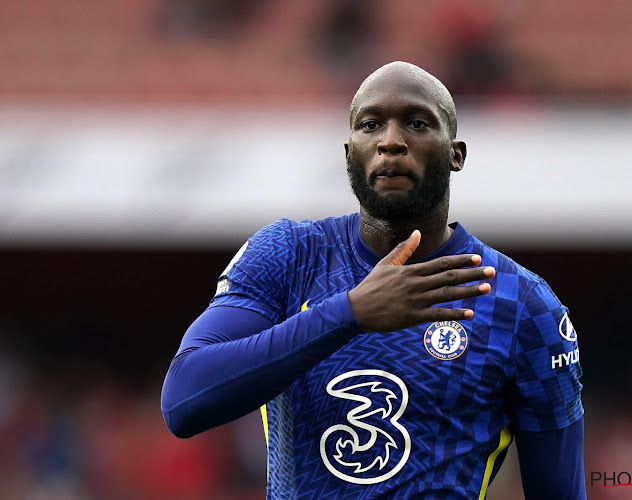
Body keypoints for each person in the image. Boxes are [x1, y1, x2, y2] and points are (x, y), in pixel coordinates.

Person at [161, 61, 585, 499]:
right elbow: (184, 400)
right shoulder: (290, 255)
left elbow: (560, 490)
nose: (391, 142)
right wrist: (350, 313)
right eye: (371, 125)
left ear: (456, 154)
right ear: (349, 153)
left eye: (418, 123)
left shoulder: (521, 304)